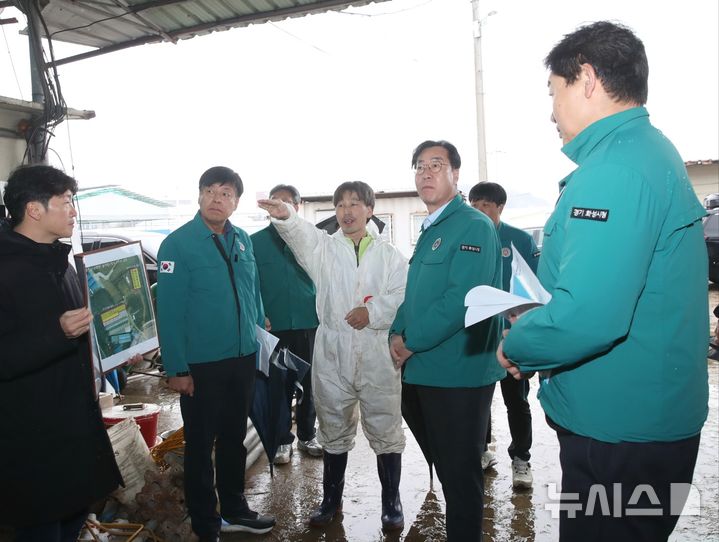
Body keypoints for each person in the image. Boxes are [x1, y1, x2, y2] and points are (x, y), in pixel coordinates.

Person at [498, 21, 709, 542]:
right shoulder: (645, 152)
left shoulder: (615, 170)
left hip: (621, 432)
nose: (551, 110)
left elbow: (590, 316)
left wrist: (519, 344)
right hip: (641, 418)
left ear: (587, 79)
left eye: (555, 90)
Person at [258, 181, 408, 531]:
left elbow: (403, 295)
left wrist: (372, 313)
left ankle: (391, 501)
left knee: (385, 426)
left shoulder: (389, 255)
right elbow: (302, 236)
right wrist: (287, 216)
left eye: (355, 204)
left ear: (370, 210)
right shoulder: (325, 250)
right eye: (340, 205)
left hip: (376, 352)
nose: (347, 211)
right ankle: (330, 500)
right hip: (333, 351)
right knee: (333, 426)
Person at [389, 140, 505, 541]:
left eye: (436, 165)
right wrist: (395, 332)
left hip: (457, 374)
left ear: (456, 173)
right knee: (449, 465)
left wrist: (410, 341)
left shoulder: (473, 226)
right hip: (426, 369)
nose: (425, 172)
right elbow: (415, 293)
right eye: (419, 165)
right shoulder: (432, 228)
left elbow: (462, 301)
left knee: (460, 477)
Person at [0, 165, 123, 542]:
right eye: (66, 202)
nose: (73, 211)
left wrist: (115, 347)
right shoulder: (6, 269)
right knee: (41, 528)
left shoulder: (59, 262)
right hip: (29, 431)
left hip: (73, 420)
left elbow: (82, 331)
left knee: (73, 516)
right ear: (35, 210)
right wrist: (57, 332)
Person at [156, 166, 275, 541]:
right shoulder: (177, 244)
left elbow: (251, 288)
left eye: (226, 193)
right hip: (201, 365)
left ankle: (235, 509)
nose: (217, 199)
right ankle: (206, 523)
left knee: (233, 438)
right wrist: (177, 368)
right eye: (210, 190)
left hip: (241, 358)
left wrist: (259, 321)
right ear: (199, 195)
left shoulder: (242, 239)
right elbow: (170, 312)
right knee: (199, 445)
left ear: (236, 202)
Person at [468, 181, 539, 489]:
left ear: (500, 208)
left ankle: (521, 459)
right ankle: (482, 451)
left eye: (486, 205)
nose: (480, 211)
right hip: (479, 338)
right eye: (475, 205)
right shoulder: (467, 238)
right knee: (479, 401)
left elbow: (535, 290)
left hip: (513, 337)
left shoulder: (520, 239)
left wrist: (523, 329)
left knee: (516, 402)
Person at [251, 184, 322, 464]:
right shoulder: (255, 242)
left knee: (309, 382)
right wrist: (260, 315)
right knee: (277, 384)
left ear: (297, 205)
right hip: (273, 325)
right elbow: (251, 285)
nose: (279, 207)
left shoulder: (311, 239)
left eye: (286, 202)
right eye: (275, 202)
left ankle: (307, 435)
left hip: (308, 322)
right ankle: (282, 440)